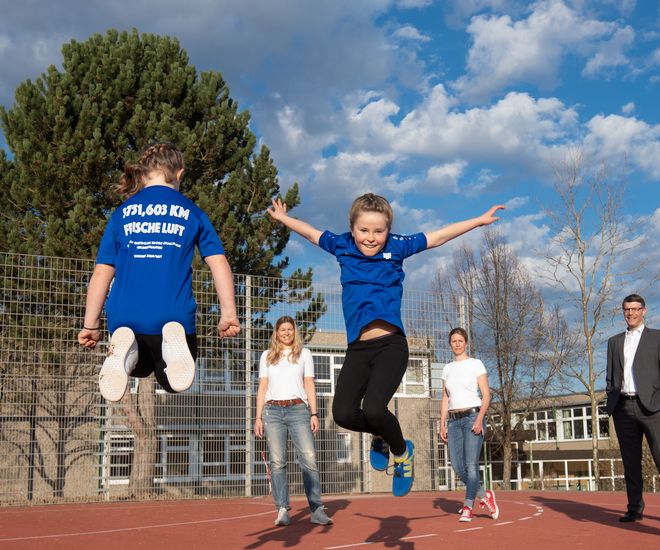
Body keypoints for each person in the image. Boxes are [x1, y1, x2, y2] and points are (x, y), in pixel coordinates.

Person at [268, 193, 504, 497]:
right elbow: (312, 234)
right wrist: (284, 218)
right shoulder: (342, 246)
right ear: (352, 229)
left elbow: (437, 237)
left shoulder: (398, 246)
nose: (371, 238)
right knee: (342, 413)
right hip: (358, 349)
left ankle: (402, 452)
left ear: (388, 231)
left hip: (391, 345)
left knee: (375, 407)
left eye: (379, 231)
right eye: (364, 230)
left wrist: (479, 221)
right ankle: (380, 434)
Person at [78, 142, 240, 401]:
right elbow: (218, 262)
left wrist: (91, 324)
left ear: (142, 175)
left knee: (140, 369)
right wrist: (228, 314)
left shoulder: (121, 214)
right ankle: (170, 343)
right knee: (172, 383)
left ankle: (126, 345)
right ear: (179, 174)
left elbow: (102, 273)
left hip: (124, 313)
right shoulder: (192, 212)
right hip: (172, 312)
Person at [605, 294, 660, 524]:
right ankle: (634, 507)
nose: (631, 313)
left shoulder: (658, 337)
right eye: (627, 309)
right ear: (623, 311)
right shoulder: (614, 342)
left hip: (653, 407)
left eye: (636, 309)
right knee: (630, 462)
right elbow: (611, 376)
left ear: (644, 311)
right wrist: (612, 399)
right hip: (623, 408)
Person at [255, 316, 332, 526]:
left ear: (294, 331)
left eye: (290, 329)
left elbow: (309, 384)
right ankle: (282, 510)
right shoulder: (266, 356)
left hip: (299, 410)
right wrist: (258, 417)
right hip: (272, 412)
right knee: (278, 461)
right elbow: (262, 387)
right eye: (282, 329)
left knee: (309, 459)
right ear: (276, 333)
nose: (287, 333)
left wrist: (314, 413)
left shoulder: (304, 354)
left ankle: (316, 510)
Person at [439, 328, 499, 522]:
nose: (457, 344)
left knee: (471, 466)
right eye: (454, 341)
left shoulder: (476, 364)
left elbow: (486, 395)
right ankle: (484, 495)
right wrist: (442, 424)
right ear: (450, 344)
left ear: (466, 343)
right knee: (458, 466)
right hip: (454, 421)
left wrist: (480, 419)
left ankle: (467, 506)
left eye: (460, 340)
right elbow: (445, 398)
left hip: (473, 417)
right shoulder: (447, 368)